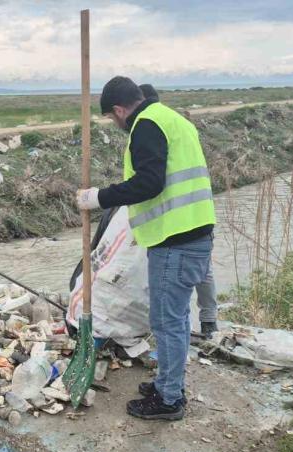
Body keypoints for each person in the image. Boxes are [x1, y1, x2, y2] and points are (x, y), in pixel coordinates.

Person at [77, 76, 216, 421]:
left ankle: (169, 400)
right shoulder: (172, 119)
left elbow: (149, 183)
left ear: (119, 110)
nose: (115, 124)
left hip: (177, 240)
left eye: (111, 118)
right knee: (175, 319)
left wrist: (100, 197)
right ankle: (169, 384)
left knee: (167, 322)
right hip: (193, 233)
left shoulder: (146, 125)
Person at [139, 84, 218, 338]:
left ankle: (207, 320)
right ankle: (208, 321)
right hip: (201, 217)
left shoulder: (154, 126)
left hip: (180, 226)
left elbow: (153, 182)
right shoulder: (182, 126)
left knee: (170, 317)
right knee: (202, 273)